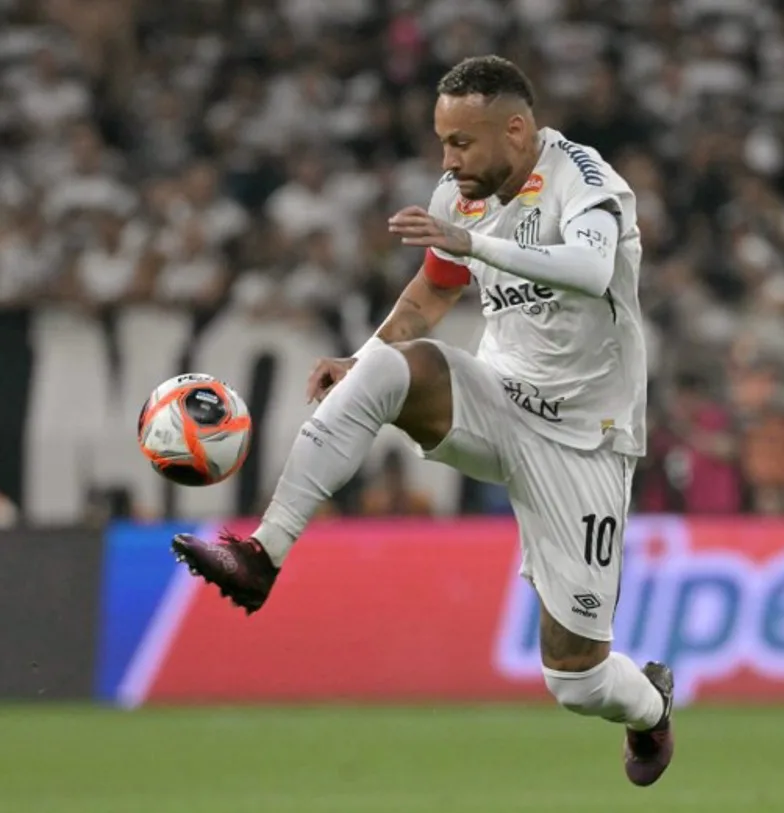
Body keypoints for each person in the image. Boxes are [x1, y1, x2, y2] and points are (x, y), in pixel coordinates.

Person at [170, 56, 674, 786]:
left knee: (575, 679)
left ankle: (650, 707)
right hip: (497, 397)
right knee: (386, 368)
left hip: (584, 439)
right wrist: (365, 355)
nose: (449, 160)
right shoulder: (459, 195)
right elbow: (434, 291)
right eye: (443, 142)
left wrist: (478, 244)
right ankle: (262, 555)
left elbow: (592, 271)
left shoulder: (586, 180)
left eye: (462, 143)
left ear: (516, 128)